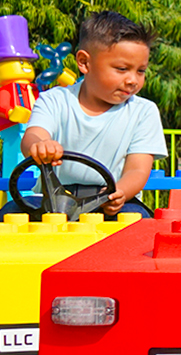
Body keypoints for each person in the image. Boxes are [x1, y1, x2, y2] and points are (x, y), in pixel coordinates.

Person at [13, 11, 166, 218]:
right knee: (9, 214)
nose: (133, 80)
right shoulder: (55, 100)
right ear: (85, 63)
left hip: (109, 198)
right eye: (122, 69)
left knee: (140, 225)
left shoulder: (143, 111)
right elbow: (33, 136)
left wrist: (120, 192)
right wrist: (39, 146)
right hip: (53, 198)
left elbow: (137, 170)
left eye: (140, 71)